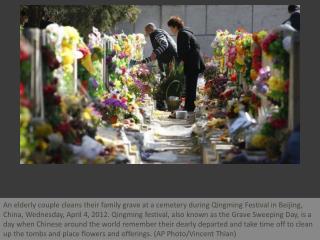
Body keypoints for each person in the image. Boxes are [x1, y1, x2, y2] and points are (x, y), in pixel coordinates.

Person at [132, 23, 178, 110]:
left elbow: (164, 44)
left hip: (169, 63)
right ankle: (163, 105)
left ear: (150, 30)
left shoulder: (157, 34)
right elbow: (153, 57)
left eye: (147, 33)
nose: (147, 35)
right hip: (167, 63)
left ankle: (163, 105)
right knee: (163, 83)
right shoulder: (157, 36)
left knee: (164, 84)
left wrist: (155, 52)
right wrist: (141, 62)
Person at [167, 16, 205, 113]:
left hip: (191, 64)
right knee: (191, 87)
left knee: (190, 87)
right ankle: (189, 107)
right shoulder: (187, 32)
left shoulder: (182, 34)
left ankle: (189, 108)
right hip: (194, 63)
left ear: (175, 26)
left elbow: (184, 51)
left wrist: (176, 63)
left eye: (171, 28)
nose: (171, 30)